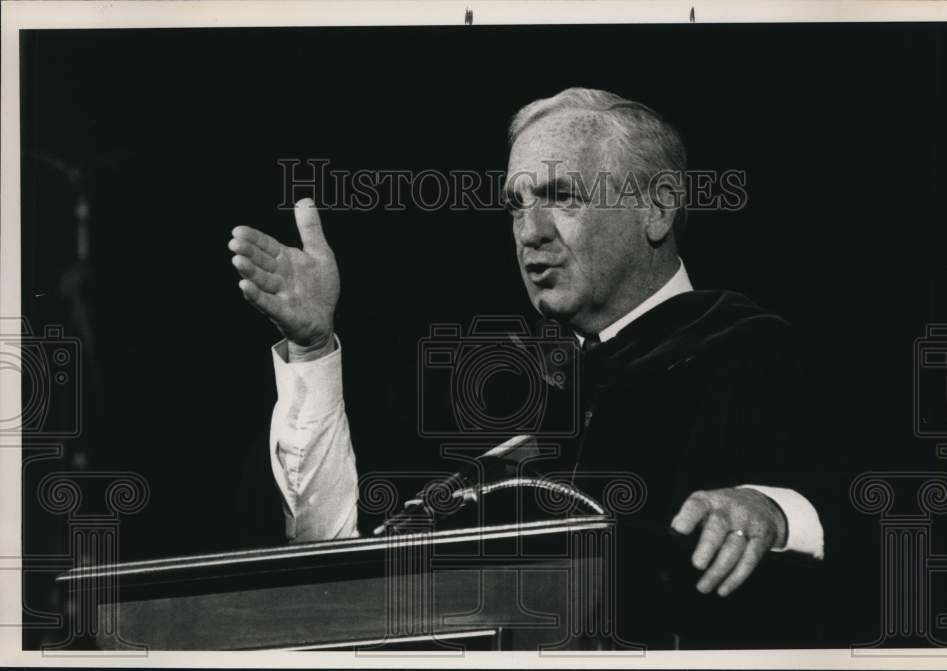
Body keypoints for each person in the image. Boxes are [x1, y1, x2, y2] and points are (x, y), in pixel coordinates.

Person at [227, 88, 833, 647]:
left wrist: (775, 512)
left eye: (561, 196)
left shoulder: (752, 352)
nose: (530, 233)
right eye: (517, 206)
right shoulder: (491, 380)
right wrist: (312, 350)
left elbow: (870, 525)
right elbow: (337, 564)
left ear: (657, 209)